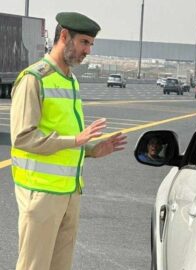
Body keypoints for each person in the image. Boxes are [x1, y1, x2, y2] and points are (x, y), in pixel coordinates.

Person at [9, 12, 127, 270]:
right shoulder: (34, 79)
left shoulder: (70, 80)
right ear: (64, 36)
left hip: (69, 194)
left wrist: (92, 149)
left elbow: (65, 139)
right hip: (41, 196)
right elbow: (23, 138)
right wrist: (76, 139)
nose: (88, 50)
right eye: (84, 42)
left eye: (91, 44)